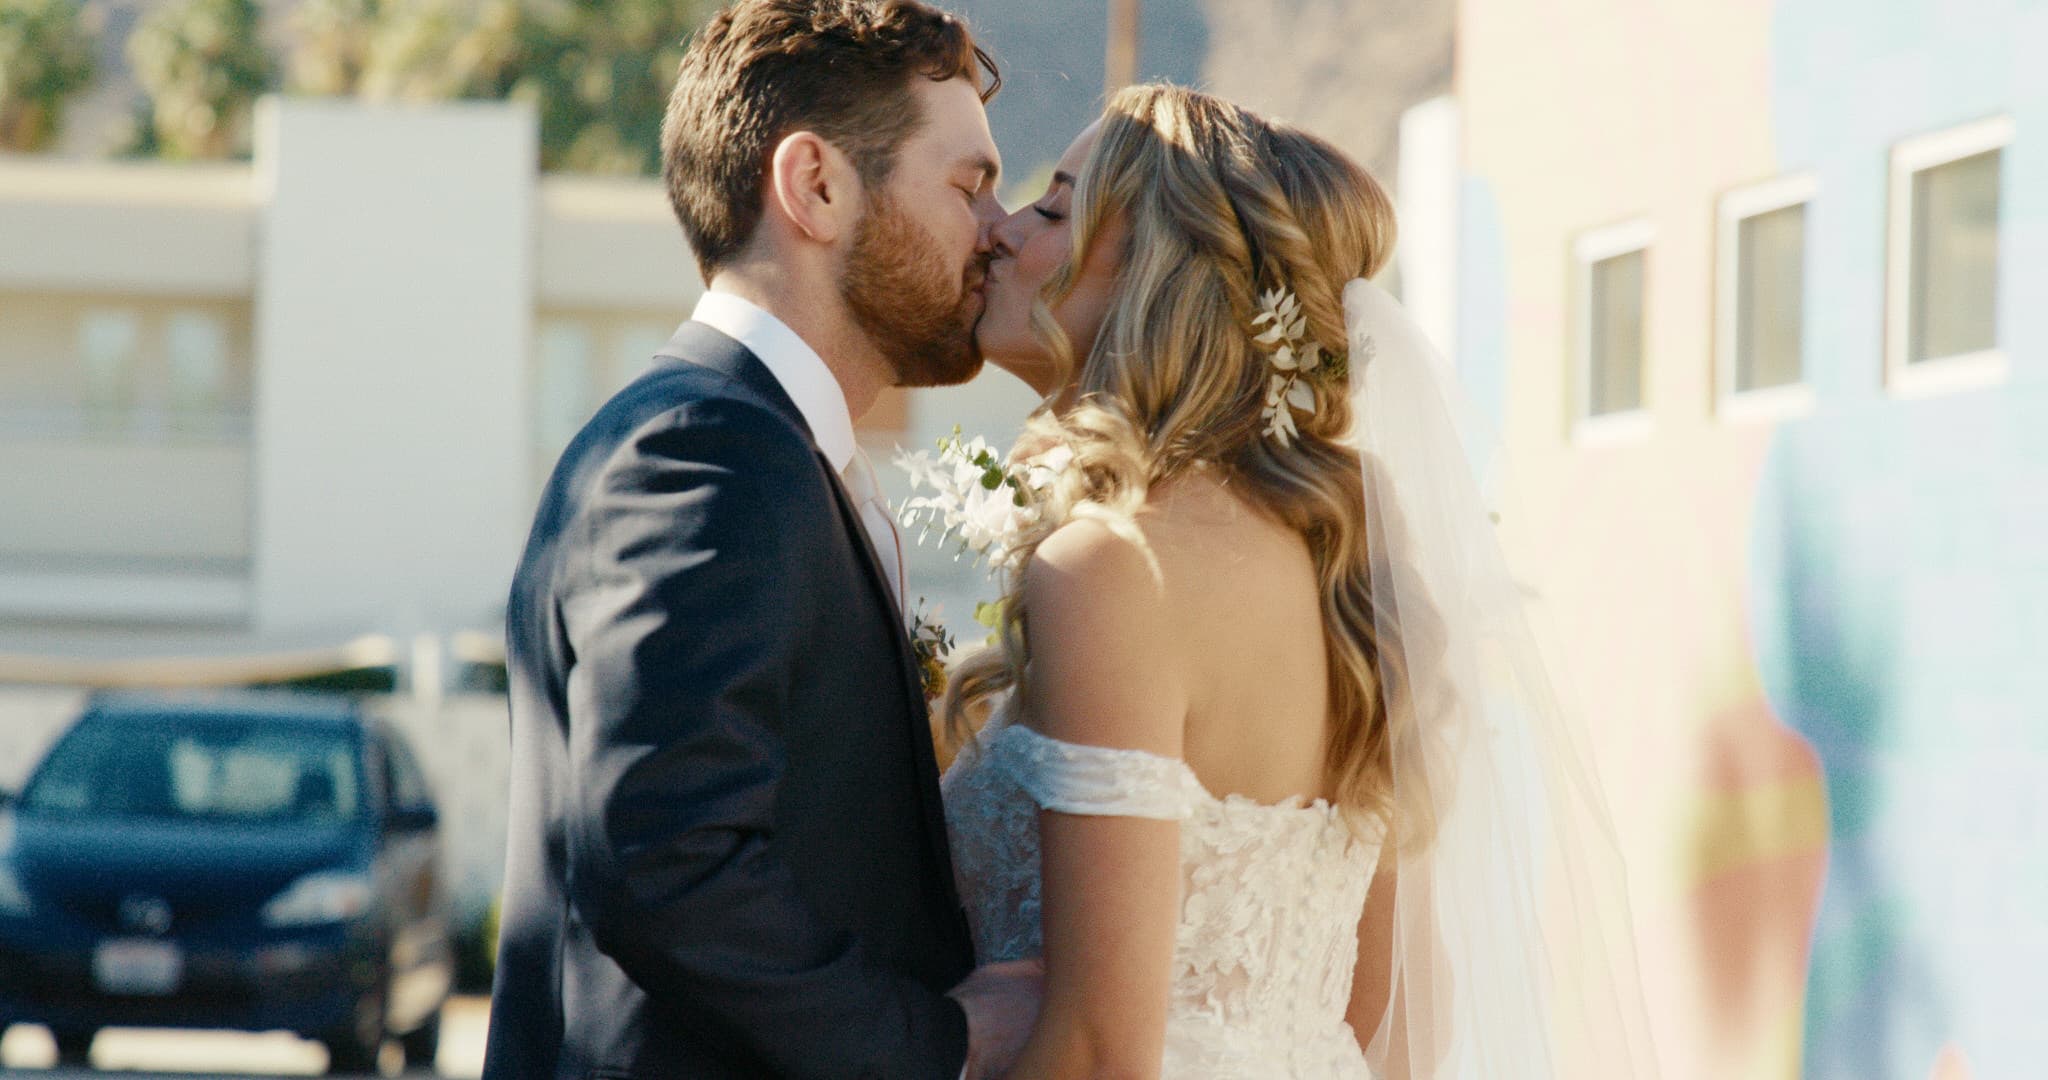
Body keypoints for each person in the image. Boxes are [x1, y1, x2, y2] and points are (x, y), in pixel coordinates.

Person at [940, 83, 1660, 1077]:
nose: (1001, 235)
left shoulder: (1114, 570)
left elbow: (1105, 1053)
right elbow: (1388, 1018)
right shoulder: (1351, 569)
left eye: (1054, 210)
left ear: (1161, 275)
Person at [484, 3, 1041, 1077]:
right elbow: (664, 861)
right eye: (968, 186)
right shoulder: (704, 453)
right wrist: (943, 1041)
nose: (998, 228)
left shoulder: (761, 446)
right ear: (814, 186)